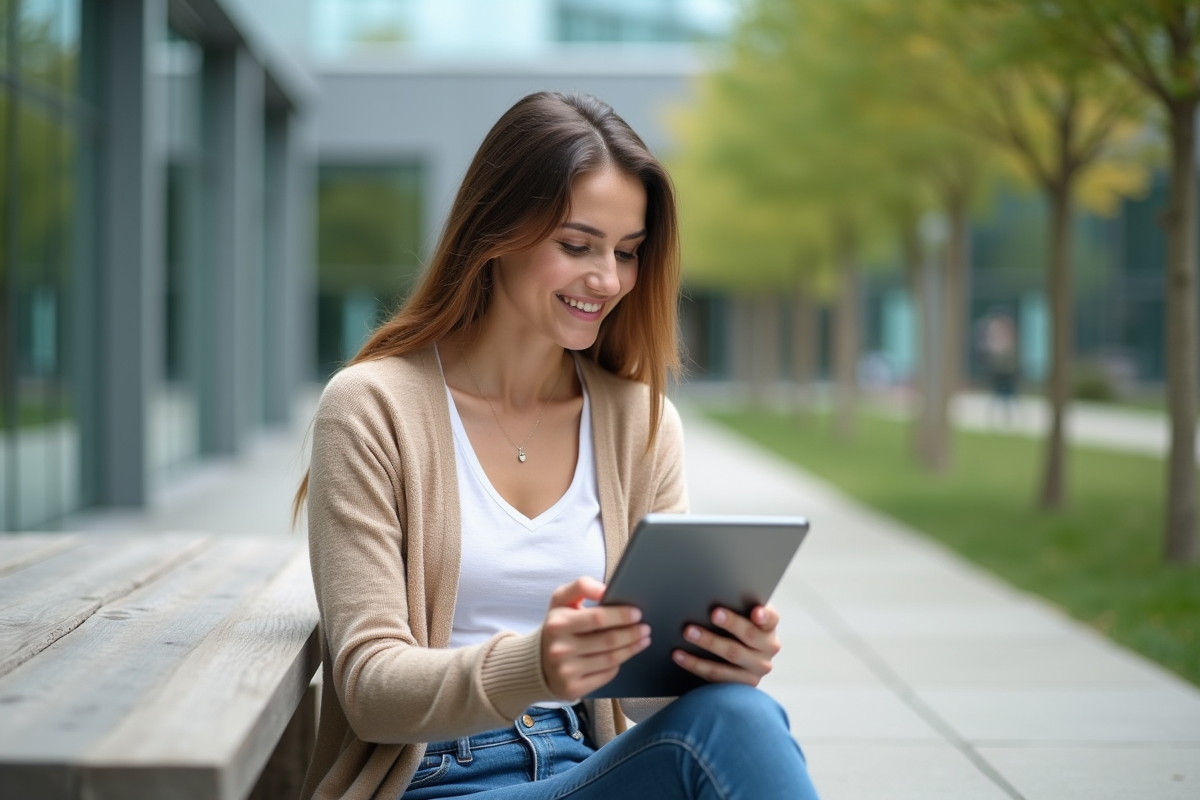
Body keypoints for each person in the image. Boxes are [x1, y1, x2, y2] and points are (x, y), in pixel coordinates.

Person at [294, 91, 821, 800]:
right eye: (577, 245)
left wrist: (715, 664)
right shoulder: (372, 409)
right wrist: (534, 666)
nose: (607, 280)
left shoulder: (641, 425)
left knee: (737, 712)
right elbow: (368, 686)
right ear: (496, 234)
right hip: (431, 781)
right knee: (735, 729)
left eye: (628, 252)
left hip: (582, 766)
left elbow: (643, 702)